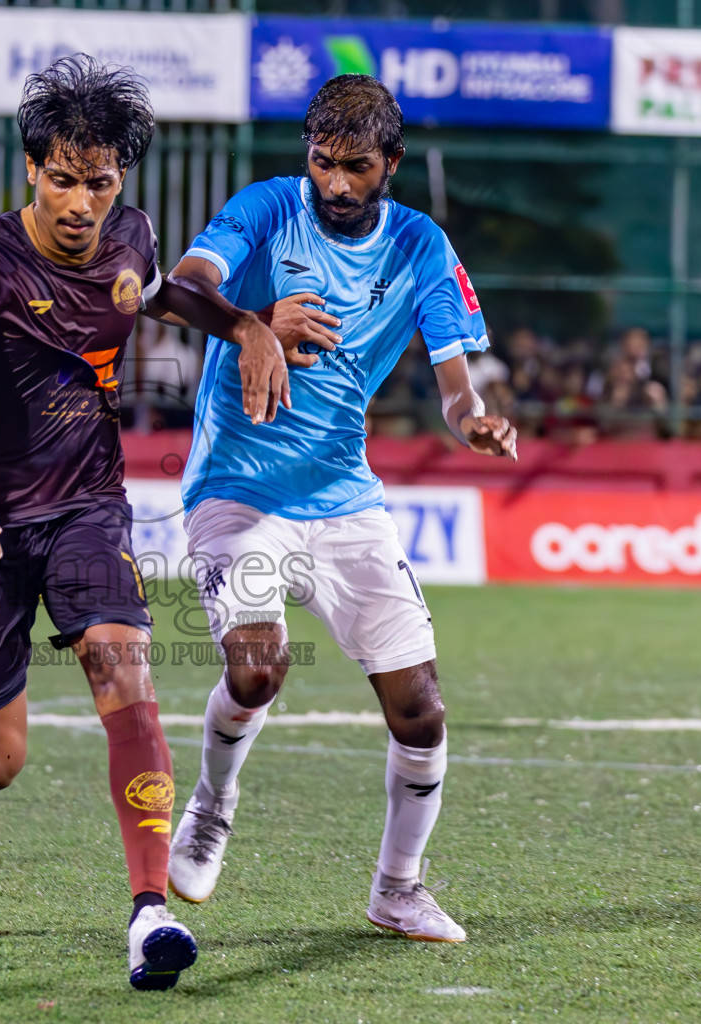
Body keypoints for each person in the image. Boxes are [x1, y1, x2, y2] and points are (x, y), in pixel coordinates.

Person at [0, 55, 288, 991]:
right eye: (62, 178)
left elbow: (161, 292)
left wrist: (247, 323)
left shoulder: (131, 235)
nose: (81, 201)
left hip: (91, 507)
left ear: (119, 182)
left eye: (98, 182)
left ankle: (150, 918)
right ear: (31, 171)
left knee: (122, 661)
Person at [162, 74, 517, 944]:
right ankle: (211, 807)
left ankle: (398, 889)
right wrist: (249, 324)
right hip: (237, 491)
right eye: (322, 162)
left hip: (344, 497)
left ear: (390, 163)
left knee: (421, 706)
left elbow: (455, 381)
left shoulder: (423, 248)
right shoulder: (266, 209)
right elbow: (177, 288)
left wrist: (474, 422)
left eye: (355, 166)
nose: (335, 183)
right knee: (257, 668)